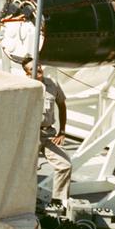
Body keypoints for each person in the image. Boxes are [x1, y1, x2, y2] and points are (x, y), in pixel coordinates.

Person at [24, 60, 73, 202]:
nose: (38, 68)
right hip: (29, 135)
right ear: (27, 72)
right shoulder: (23, 87)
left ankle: (58, 201)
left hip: (48, 134)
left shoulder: (53, 84)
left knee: (65, 165)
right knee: (24, 171)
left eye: (38, 65)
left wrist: (62, 131)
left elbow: (62, 106)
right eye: (33, 68)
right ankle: (23, 202)